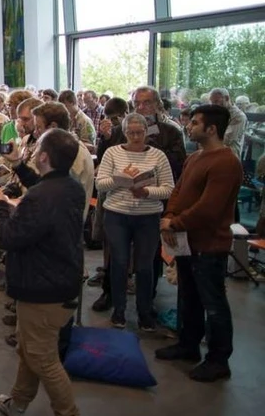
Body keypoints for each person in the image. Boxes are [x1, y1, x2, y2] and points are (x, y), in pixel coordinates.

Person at [0, 129, 84, 416]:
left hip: (44, 288)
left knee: (43, 359)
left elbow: (9, 237)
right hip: (59, 278)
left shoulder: (42, 197)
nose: (32, 152)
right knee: (28, 349)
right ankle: (18, 401)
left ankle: (67, 412)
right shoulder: (70, 186)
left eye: (36, 149)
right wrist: (18, 165)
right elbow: (44, 186)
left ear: (43, 156)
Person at [155, 105, 243, 382]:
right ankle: (188, 345)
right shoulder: (195, 158)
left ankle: (218, 360)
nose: (188, 127)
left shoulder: (226, 162)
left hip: (209, 245)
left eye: (194, 123)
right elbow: (178, 191)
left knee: (213, 304)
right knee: (188, 297)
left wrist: (175, 223)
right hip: (186, 241)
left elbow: (209, 209)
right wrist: (169, 216)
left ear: (211, 128)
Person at [95, 113, 174, 330]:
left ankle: (144, 312)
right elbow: (100, 184)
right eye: (131, 133)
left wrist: (147, 191)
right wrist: (120, 178)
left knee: (145, 266)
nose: (136, 137)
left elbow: (168, 189)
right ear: (125, 132)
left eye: (140, 133)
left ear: (147, 132)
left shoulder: (158, 156)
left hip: (148, 216)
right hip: (117, 214)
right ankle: (119, 310)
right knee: (119, 263)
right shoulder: (113, 152)